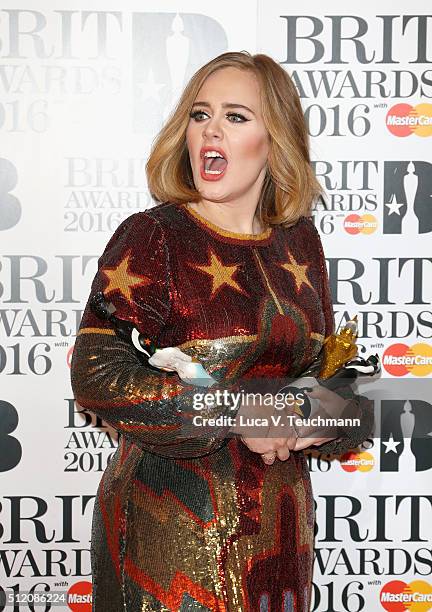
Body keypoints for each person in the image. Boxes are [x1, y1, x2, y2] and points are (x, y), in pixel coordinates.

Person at [70, 51, 374, 611]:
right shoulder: (154, 235)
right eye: (199, 113)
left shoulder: (300, 243)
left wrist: (316, 415)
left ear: (274, 139)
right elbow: (96, 374)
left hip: (280, 542)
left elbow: (339, 382)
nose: (211, 130)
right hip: (167, 539)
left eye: (236, 117)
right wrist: (241, 413)